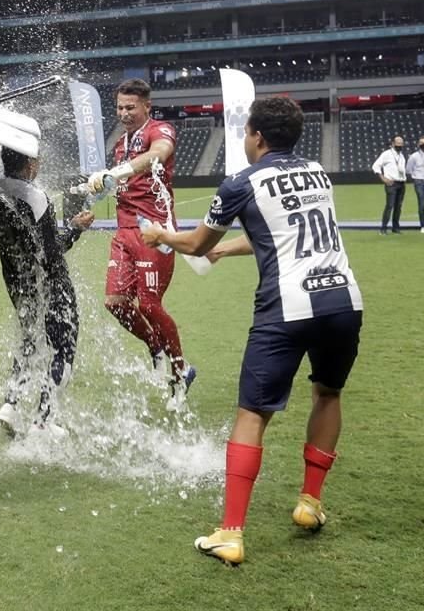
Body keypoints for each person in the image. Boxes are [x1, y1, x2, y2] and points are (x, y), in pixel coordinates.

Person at [140, 96, 363, 566]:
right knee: (328, 394)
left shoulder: (241, 182)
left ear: (257, 136)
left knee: (252, 414)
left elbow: (197, 241)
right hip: (343, 300)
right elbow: (282, 233)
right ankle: (309, 502)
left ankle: (231, 533)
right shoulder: (318, 174)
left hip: (287, 308)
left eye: (245, 133)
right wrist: (226, 253)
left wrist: (161, 237)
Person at [0, 148, 94, 436]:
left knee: (30, 339)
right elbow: (52, 254)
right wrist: (75, 228)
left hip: (17, 282)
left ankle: (10, 405)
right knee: (63, 347)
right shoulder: (35, 197)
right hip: (51, 282)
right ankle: (43, 421)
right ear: (30, 164)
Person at [85, 78, 195, 395]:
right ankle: (155, 348)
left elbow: (160, 153)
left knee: (148, 305)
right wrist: (96, 188)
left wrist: (119, 172)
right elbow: (119, 185)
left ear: (147, 105)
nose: (123, 113)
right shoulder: (121, 143)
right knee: (115, 302)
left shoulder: (158, 130)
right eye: (119, 107)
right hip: (124, 231)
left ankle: (180, 372)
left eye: (130, 107)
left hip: (154, 231)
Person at [372, 135, 407, 235]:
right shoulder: (386, 154)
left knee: (398, 206)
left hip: (401, 183)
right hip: (391, 183)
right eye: (398, 143)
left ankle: (395, 228)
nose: (400, 145)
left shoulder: (402, 155)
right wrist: (383, 178)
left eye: (401, 143)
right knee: (390, 205)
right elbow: (375, 166)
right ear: (392, 144)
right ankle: (383, 228)